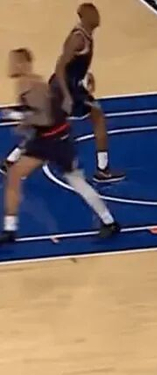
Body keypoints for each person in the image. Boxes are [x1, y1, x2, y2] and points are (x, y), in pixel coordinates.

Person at [0, 49, 119, 243]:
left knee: (76, 181)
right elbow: (42, 113)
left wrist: (18, 116)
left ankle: (109, 221)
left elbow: (45, 118)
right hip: (45, 139)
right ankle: (9, 229)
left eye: (14, 61)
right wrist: (24, 122)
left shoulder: (31, 86)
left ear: (22, 64)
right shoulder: (27, 84)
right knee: (14, 174)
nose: (10, 65)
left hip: (57, 141)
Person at [2, 3, 124, 183]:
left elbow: (74, 66)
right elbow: (60, 67)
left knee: (52, 126)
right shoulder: (78, 38)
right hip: (64, 88)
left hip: (71, 87)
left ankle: (10, 161)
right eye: (93, 14)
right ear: (84, 17)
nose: (98, 17)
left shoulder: (86, 35)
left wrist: (85, 75)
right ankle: (102, 170)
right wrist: (66, 95)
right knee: (89, 119)